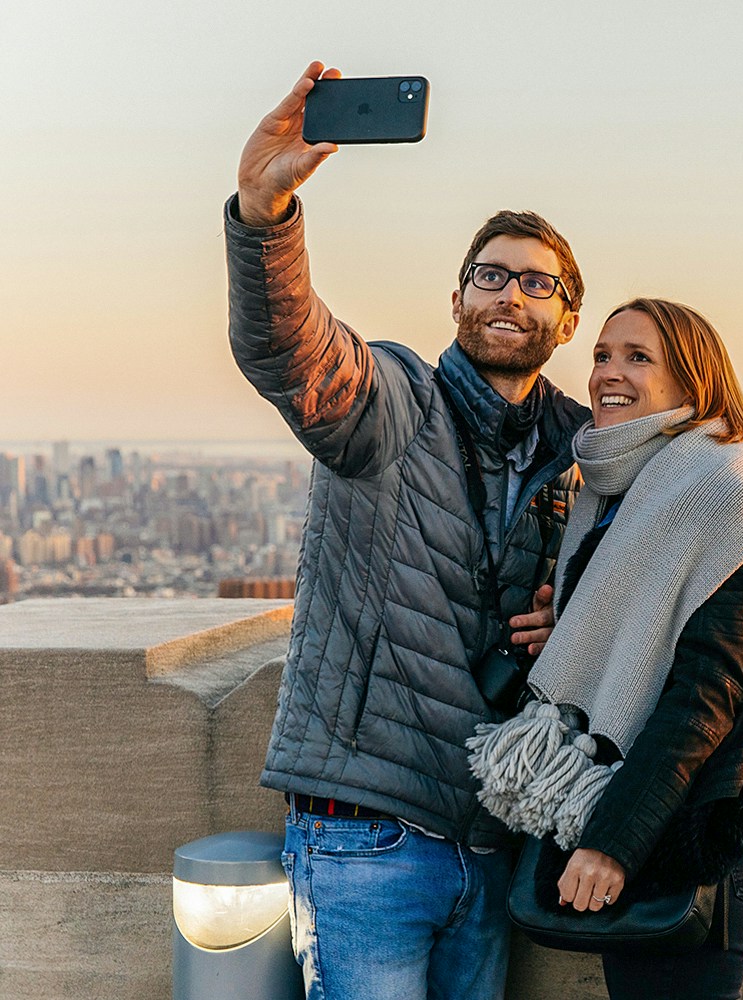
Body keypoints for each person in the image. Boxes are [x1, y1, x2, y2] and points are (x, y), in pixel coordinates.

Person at [227, 62, 582, 1000]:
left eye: (536, 284)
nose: (510, 294)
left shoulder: (585, 454)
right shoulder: (395, 403)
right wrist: (266, 217)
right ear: (457, 299)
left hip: (494, 840)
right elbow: (294, 350)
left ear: (567, 316)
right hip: (365, 835)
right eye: (490, 275)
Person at [472, 298, 743, 999]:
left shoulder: (725, 490)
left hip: (693, 828)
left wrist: (613, 844)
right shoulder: (618, 489)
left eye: (637, 357)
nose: (607, 374)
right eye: (600, 355)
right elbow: (637, 638)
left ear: (692, 383)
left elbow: (705, 696)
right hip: (636, 808)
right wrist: (571, 627)